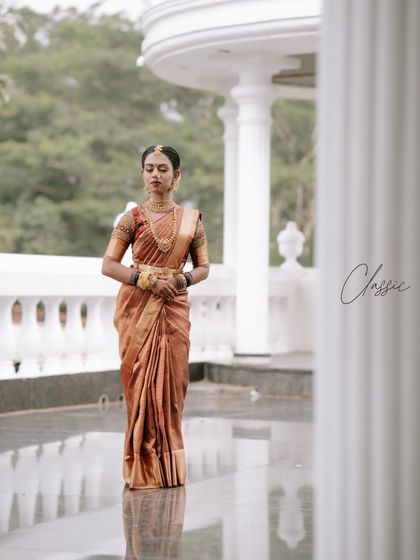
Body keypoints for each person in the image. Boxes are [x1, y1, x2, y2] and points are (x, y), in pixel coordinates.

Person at [102, 144, 210, 489]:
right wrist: (145, 279)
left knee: (174, 384)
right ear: (141, 174)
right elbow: (108, 265)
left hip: (174, 306)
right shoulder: (130, 219)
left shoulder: (192, 221)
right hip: (138, 307)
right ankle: (142, 466)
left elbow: (204, 267)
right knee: (139, 383)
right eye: (149, 168)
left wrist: (180, 279)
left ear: (176, 177)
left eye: (163, 169)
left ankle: (169, 465)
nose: (155, 175)